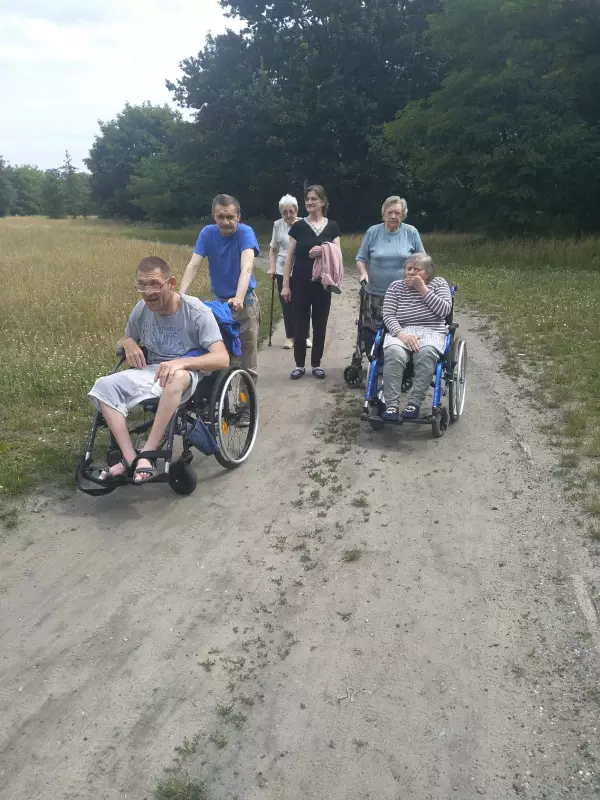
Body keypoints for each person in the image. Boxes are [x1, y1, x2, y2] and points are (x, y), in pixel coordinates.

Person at [88, 256, 230, 483]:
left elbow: (222, 358)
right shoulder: (141, 310)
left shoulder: (196, 311)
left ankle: (148, 452)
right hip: (151, 370)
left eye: (155, 284)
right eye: (142, 285)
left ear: (171, 283)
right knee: (104, 385)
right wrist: (128, 343)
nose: (148, 292)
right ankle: (130, 458)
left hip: (188, 372)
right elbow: (122, 342)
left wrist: (181, 362)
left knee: (175, 376)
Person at [180, 194, 260, 387]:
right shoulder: (207, 233)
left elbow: (246, 267)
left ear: (238, 217)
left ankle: (247, 398)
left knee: (247, 358)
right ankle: (221, 397)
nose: (225, 222)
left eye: (230, 217)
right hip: (219, 305)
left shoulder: (245, 233)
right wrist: (180, 294)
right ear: (213, 217)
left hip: (244, 303)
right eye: (220, 217)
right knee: (217, 355)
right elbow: (194, 264)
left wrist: (239, 297)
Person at [381, 253, 452, 422]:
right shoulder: (395, 287)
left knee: (426, 353)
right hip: (402, 331)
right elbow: (388, 315)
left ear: (428, 272)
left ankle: (414, 403)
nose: (411, 272)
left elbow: (444, 311)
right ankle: (391, 405)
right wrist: (401, 334)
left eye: (417, 269)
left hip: (431, 331)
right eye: (409, 269)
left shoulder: (439, 283)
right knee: (393, 352)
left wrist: (423, 289)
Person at [281, 185, 341, 380]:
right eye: (307, 199)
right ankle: (299, 364)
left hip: (323, 284)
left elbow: (337, 254)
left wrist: (323, 250)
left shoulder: (332, 226)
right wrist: (286, 285)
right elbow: (289, 258)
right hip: (300, 283)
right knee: (300, 324)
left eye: (314, 199)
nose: (309, 202)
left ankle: (316, 364)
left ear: (323, 202)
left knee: (320, 324)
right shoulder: (298, 227)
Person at [356, 196, 424, 354]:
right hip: (375, 293)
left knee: (399, 330)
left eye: (398, 213)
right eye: (390, 212)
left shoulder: (411, 232)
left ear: (403, 215)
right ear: (384, 214)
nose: (393, 216)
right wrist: (363, 273)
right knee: (373, 331)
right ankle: (374, 358)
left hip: (404, 294)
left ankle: (399, 357)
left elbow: (422, 260)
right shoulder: (373, 232)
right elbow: (360, 259)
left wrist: (416, 276)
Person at [267, 194, 311, 351]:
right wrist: (272, 267)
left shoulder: (305, 223)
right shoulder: (277, 225)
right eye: (284, 212)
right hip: (282, 268)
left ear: (296, 210)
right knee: (287, 303)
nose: (288, 215)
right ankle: (290, 337)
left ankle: (305, 336)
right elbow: (273, 249)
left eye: (291, 211)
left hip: (302, 268)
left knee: (304, 303)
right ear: (281, 213)